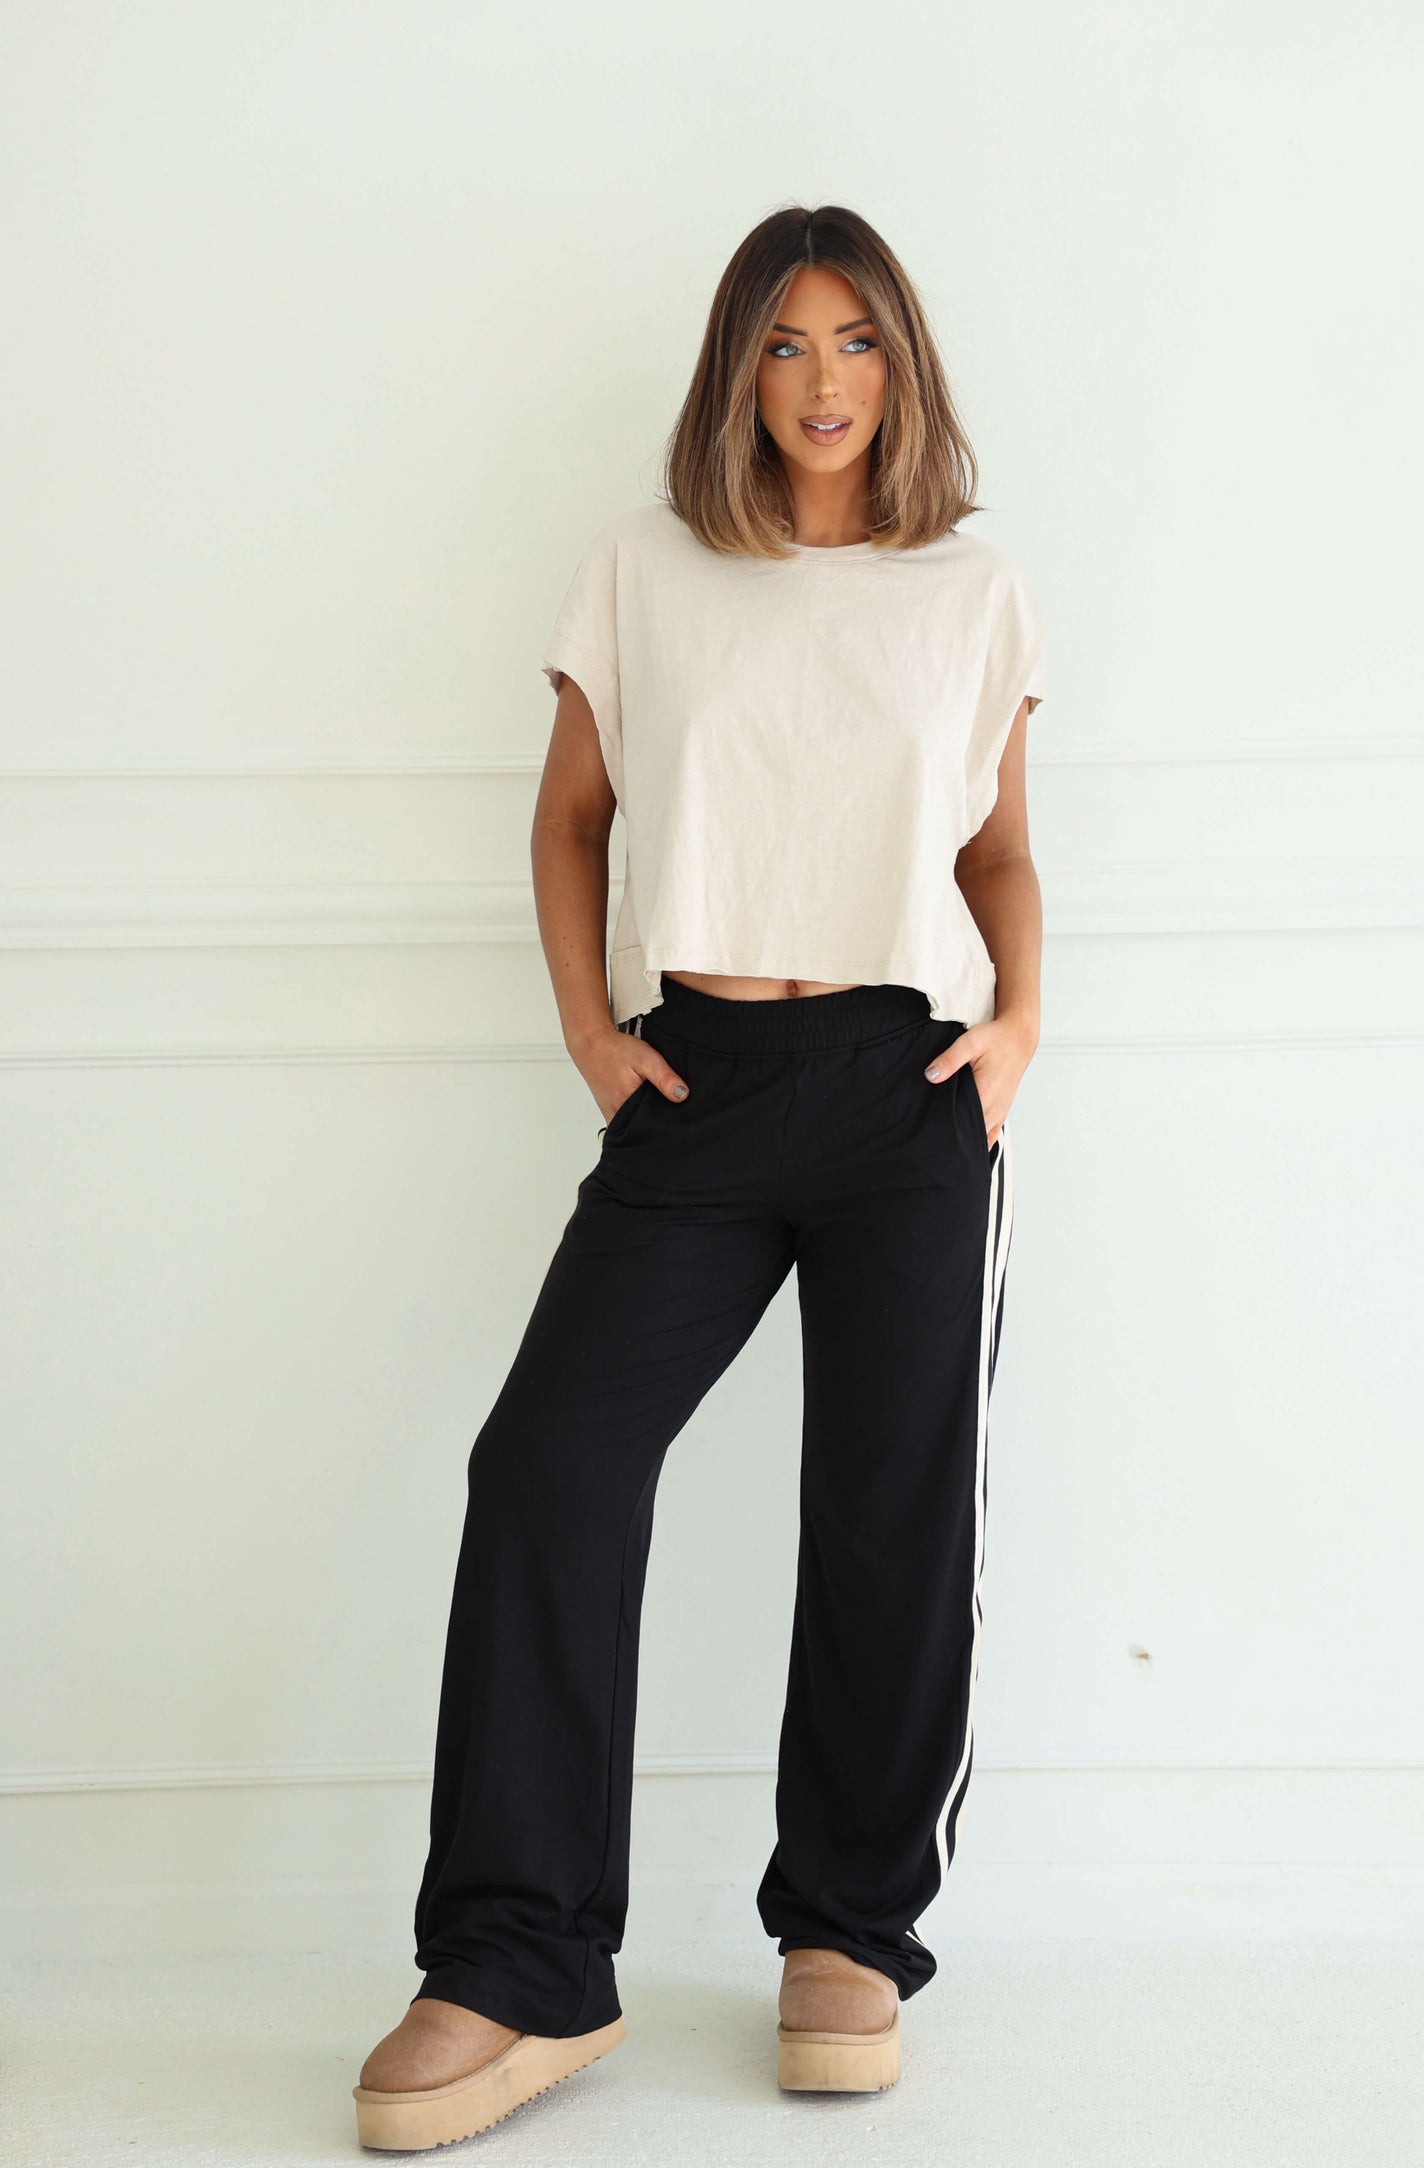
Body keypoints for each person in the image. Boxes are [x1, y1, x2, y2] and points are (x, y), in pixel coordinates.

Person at [354, 201, 1044, 2152]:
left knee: (894, 1498)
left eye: (857, 344)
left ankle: (848, 1933)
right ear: (735, 369)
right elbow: (570, 818)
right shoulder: (650, 569)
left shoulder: (969, 589)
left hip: (906, 1078)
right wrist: (595, 1037)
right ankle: (516, 1960)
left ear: (902, 367)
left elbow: (1000, 853)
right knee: (548, 1460)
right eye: (783, 344)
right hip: (705, 1078)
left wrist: (1017, 1036)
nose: (821, 382)